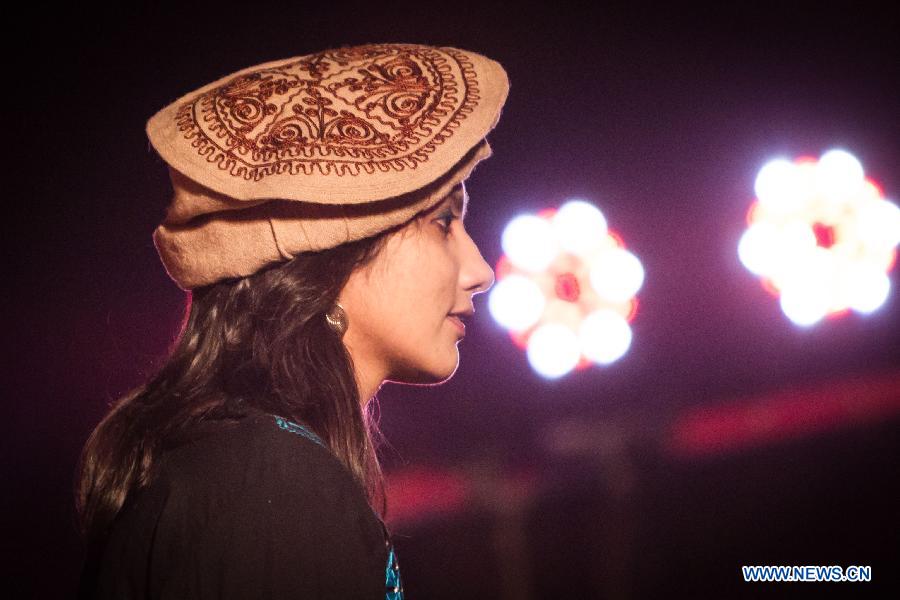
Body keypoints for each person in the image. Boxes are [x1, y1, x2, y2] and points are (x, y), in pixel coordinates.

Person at [75, 43, 508, 599]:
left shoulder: (250, 468)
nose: (481, 271)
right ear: (335, 251)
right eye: (444, 222)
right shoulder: (269, 485)